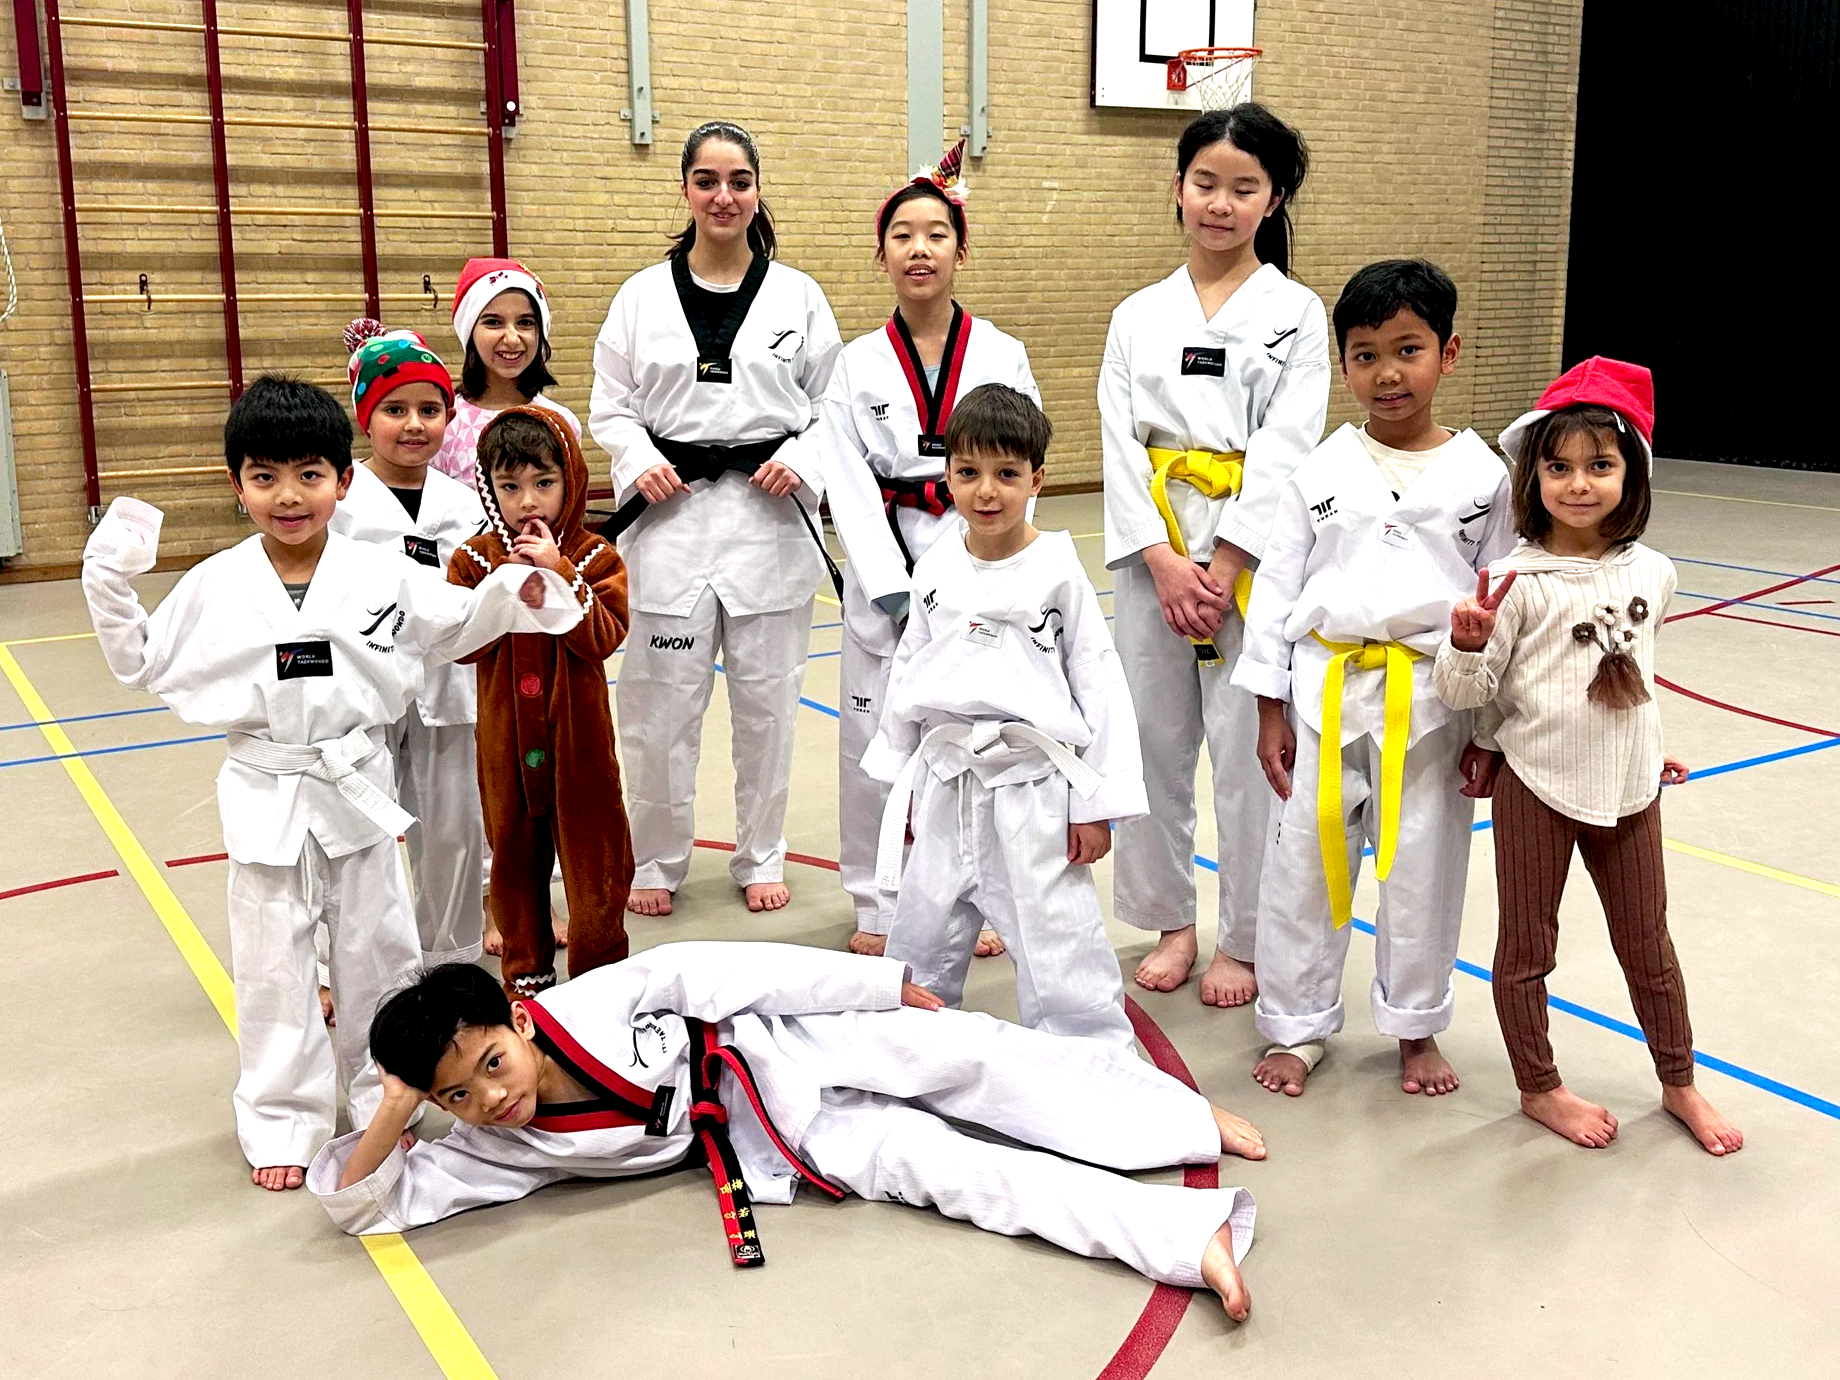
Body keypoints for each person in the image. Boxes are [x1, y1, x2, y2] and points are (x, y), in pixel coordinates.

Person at [81, 377, 584, 1191]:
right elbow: (141, 658)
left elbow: (459, 620)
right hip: (266, 784)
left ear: (343, 483)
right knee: (272, 959)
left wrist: (523, 582)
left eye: (310, 475)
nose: (289, 496)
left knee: (379, 952)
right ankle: (282, 1115)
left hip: (356, 777)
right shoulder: (216, 582)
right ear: (236, 484)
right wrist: (111, 568)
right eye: (266, 476)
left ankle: (384, 1096)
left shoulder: (377, 572)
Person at [308, 942, 1264, 1321]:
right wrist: (394, 1112)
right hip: (772, 1140)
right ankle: (1184, 1238)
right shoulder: (490, 1145)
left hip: (781, 1041)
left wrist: (878, 988)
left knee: (968, 1051)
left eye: (490, 1065)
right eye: (458, 1097)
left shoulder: (595, 1002)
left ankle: (1178, 1120)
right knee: (949, 1170)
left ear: (520, 1020)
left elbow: (728, 970)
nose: (491, 1099)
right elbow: (363, 1205)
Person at [1433, 357, 1743, 1156]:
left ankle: (1680, 1082)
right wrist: (1465, 648)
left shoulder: (1656, 572)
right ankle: (1539, 1087)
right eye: (1558, 466)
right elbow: (1473, 694)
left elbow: (1634, 670)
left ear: (1630, 474)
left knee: (1650, 947)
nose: (1578, 484)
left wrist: (1653, 746)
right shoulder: (1512, 581)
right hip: (1537, 784)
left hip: (1633, 789)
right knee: (1526, 948)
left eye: (1600, 466)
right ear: (1531, 476)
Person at [1231, 260, 1515, 1097]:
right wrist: (1268, 710)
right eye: (1364, 355)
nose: (1387, 373)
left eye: (1407, 349)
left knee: (1424, 871)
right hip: (1322, 692)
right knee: (1303, 871)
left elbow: (1501, 603)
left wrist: (1490, 731)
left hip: (1433, 702)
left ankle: (1416, 1027)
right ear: (1343, 363)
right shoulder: (1319, 470)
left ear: (1449, 353)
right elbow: (1277, 594)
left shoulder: (1484, 476)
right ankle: (1297, 1025)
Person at [1099, 104, 1329, 1008]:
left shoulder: (1297, 314)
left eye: (1244, 188)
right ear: (1178, 189)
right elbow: (1118, 440)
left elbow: (1288, 445)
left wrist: (1227, 564)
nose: (1221, 205)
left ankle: (1243, 936)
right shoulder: (1137, 314)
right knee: (1153, 744)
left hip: (1254, 559)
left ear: (1273, 201)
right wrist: (1160, 557)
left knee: (1247, 752)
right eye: (1206, 184)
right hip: (1151, 551)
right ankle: (1170, 920)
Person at [589, 119, 842, 917]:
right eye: (707, 181)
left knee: (769, 707)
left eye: (738, 181)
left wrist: (803, 458)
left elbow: (834, 405)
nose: (723, 196)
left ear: (757, 189)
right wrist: (637, 460)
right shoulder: (640, 296)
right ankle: (656, 861)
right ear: (686, 190)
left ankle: (759, 853)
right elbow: (611, 405)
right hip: (670, 523)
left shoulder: (799, 295)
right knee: (659, 711)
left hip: (768, 524)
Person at [864, 384, 1144, 1049]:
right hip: (946, 779)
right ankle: (914, 1055)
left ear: (1037, 479)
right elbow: (909, 672)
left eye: (1006, 474)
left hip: (1034, 790)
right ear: (948, 477)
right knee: (922, 933)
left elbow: (1098, 685)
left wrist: (1093, 806)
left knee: (1058, 940)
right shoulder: (935, 567)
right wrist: (899, 779)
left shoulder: (1058, 570)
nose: (986, 491)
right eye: (968, 473)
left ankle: (1092, 1061)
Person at [815, 139, 1038, 959]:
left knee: (978, 736)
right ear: (883, 254)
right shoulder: (856, 362)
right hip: (887, 568)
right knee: (872, 740)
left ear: (960, 250)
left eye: (935, 234)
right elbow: (845, 478)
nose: (919, 249)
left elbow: (1017, 465)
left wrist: (973, 562)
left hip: (975, 557)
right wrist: (894, 585)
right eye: (903, 235)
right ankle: (875, 906)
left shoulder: (1002, 353)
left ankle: (976, 897)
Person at [449, 407, 634, 1000]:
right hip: (506, 750)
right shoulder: (474, 560)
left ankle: (599, 983)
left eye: (543, 483)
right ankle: (526, 981)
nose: (527, 501)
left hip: (579, 749)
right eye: (509, 486)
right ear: (488, 488)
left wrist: (559, 575)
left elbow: (604, 636)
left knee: (596, 861)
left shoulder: (595, 556)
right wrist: (501, 585)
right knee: (514, 861)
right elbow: (458, 645)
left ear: (571, 480)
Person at [331, 321, 490, 974]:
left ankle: (451, 956)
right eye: (394, 410)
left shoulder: (463, 503)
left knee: (453, 830)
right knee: (352, 828)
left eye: (430, 409)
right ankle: (346, 965)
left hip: (448, 687)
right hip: (364, 686)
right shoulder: (340, 503)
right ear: (367, 418)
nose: (414, 424)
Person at [431, 258, 582, 489]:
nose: (512, 339)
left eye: (525, 323)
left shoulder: (562, 423)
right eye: (493, 322)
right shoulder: (444, 425)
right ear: (470, 332)